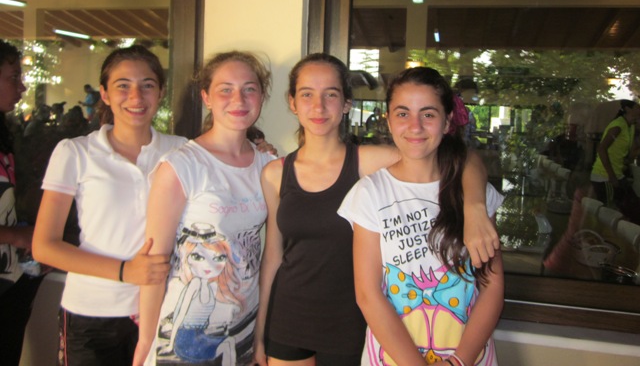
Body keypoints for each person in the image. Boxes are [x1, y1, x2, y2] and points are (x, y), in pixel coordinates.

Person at [254, 54, 499, 366]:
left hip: (348, 325)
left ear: (347, 103)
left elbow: (457, 157)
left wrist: (475, 206)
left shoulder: (371, 161)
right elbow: (272, 258)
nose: (318, 107)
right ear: (292, 102)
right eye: (306, 94)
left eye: (331, 94)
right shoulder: (274, 173)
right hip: (288, 320)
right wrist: (260, 333)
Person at [338, 66, 504, 366]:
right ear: (388, 120)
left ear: (447, 121)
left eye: (428, 114)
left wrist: (460, 361)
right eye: (403, 113)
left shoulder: (474, 194)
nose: (415, 126)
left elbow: (492, 287)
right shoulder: (370, 193)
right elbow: (368, 295)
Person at [33, 45, 187, 365]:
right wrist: (125, 271)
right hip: (92, 315)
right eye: (123, 85)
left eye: (147, 85)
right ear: (104, 93)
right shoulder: (75, 152)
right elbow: (44, 247)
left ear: (160, 92)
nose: (136, 96)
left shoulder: (182, 151)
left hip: (163, 312)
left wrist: (261, 150)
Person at [134, 51, 275, 366]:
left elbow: (268, 256)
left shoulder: (269, 164)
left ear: (261, 97)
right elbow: (155, 261)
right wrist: (145, 340)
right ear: (206, 97)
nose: (238, 99)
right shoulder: (181, 165)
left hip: (243, 329)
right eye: (225, 89)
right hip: (183, 335)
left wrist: (260, 335)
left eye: (249, 89)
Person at [0, 40, 45, 366]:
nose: (22, 87)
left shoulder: (6, 133)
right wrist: (16, 236)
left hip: (10, 279)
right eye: (13, 77)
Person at [590, 100, 640, 207]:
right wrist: (612, 176)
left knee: (633, 206)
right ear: (628, 109)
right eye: (637, 107)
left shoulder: (630, 127)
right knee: (610, 209)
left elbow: (630, 152)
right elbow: (601, 149)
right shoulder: (618, 126)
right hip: (605, 176)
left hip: (618, 174)